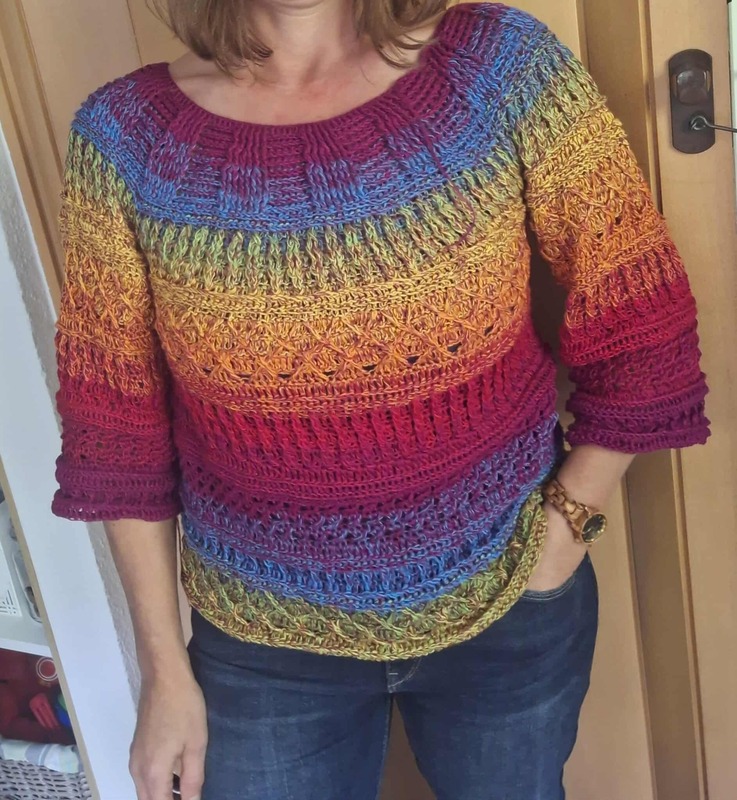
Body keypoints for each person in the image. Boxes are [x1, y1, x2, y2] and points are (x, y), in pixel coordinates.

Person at [51, 1, 709, 798]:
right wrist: (163, 670)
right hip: (262, 645)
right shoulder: (124, 139)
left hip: (508, 593)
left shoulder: (498, 65)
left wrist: (568, 522)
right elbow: (114, 431)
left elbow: (638, 311)